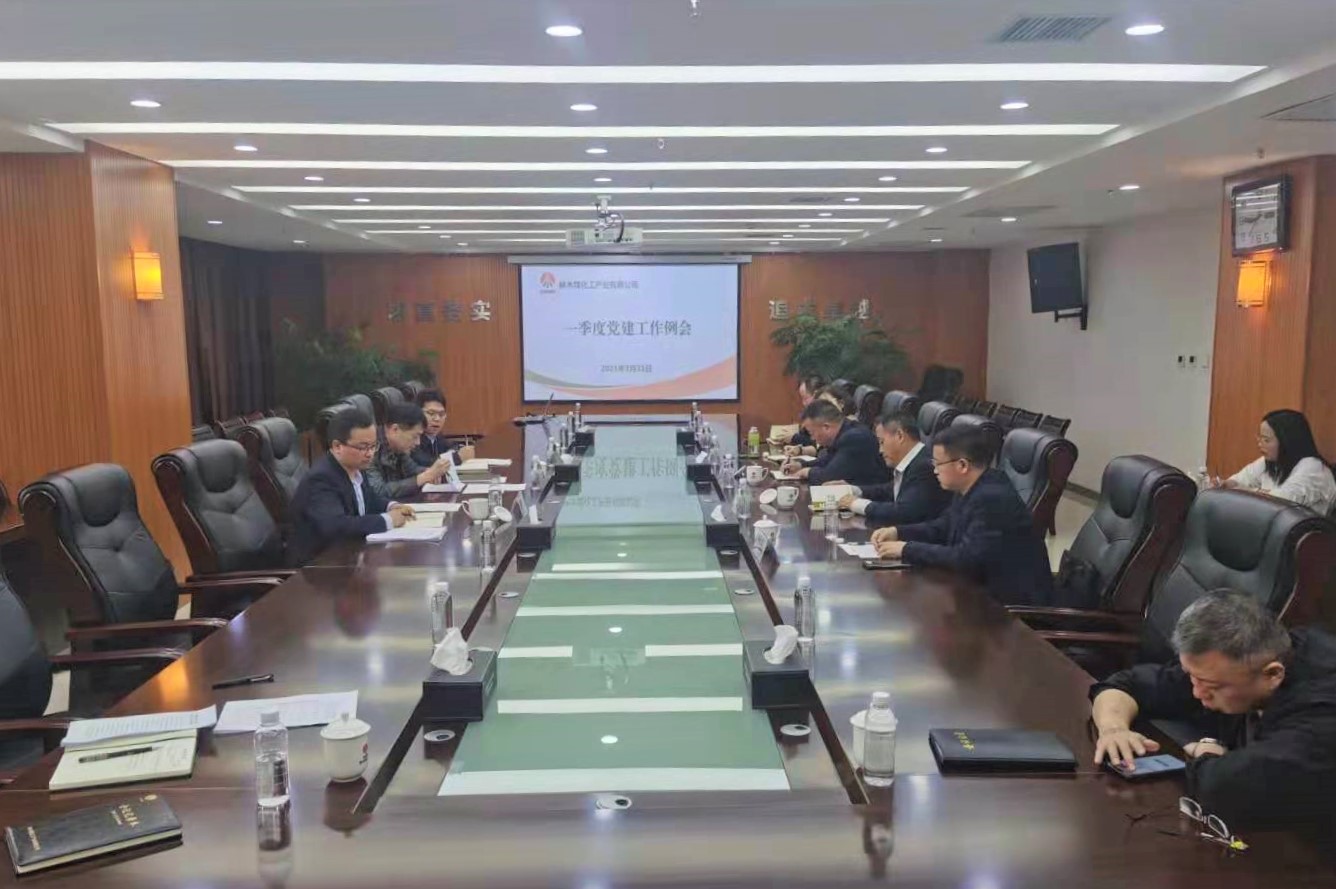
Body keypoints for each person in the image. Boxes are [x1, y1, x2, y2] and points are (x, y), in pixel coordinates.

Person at [1090, 590, 1336, 827]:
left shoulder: (1321, 709)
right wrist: (1113, 729)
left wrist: (1206, 753)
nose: (1197, 693)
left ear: (1272, 675)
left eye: (1211, 686)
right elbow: (1126, 684)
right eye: (1192, 677)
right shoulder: (1227, 664)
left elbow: (1224, 788)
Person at [871, 424, 1053, 606]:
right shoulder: (972, 486)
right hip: (980, 590)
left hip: (1009, 607)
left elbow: (966, 558)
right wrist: (898, 532)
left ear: (962, 465)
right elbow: (943, 526)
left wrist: (907, 549)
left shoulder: (992, 499)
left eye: (938, 464)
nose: (934, 471)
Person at [288, 409, 414, 566]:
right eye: (363, 447)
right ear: (337, 446)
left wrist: (392, 506)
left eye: (373, 446)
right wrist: (388, 520)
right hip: (321, 566)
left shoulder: (355, 466)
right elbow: (336, 525)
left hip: (350, 556)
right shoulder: (321, 478)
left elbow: (369, 499)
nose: (370, 454)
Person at [830, 410, 951, 526]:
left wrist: (857, 504)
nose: (880, 450)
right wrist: (854, 490)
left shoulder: (924, 466)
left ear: (900, 436)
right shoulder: (916, 460)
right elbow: (890, 489)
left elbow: (904, 512)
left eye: (882, 442)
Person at [1220, 409, 1335, 515]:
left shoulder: (1313, 467)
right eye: (1260, 438)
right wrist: (1226, 484)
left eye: (1266, 440)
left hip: (1306, 529)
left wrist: (1246, 491)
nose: (1260, 444)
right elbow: (1240, 479)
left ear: (1287, 442)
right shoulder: (1270, 461)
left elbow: (1283, 501)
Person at [781, 399, 887, 487]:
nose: (812, 438)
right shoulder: (845, 431)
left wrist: (807, 472)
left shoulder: (855, 438)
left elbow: (829, 478)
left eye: (811, 433)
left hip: (871, 498)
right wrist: (800, 465)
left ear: (826, 427)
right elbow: (828, 461)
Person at [367, 402, 455, 499]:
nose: (418, 443)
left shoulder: (398, 448)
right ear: (395, 429)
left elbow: (412, 470)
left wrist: (433, 472)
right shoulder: (369, 449)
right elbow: (378, 492)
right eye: (415, 436)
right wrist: (423, 477)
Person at [412, 389, 476, 469]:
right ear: (417, 413)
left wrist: (458, 450)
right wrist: (456, 458)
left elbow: (450, 446)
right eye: (431, 413)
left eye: (441, 414)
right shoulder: (412, 439)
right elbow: (423, 462)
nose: (437, 419)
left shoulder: (438, 437)